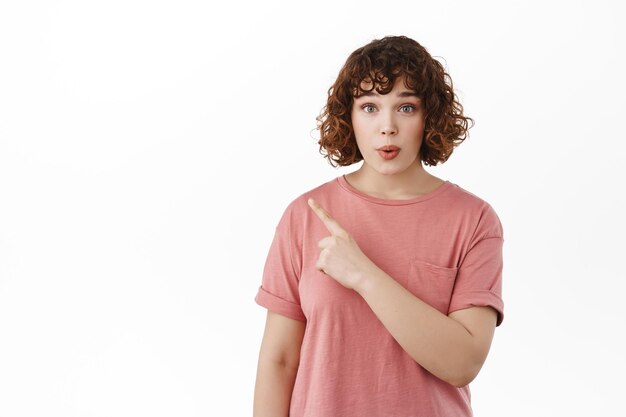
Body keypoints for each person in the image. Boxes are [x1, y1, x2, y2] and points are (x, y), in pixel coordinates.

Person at [253, 35, 505, 417]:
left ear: (429, 117)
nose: (387, 127)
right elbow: (280, 361)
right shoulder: (305, 215)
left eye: (406, 107)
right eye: (369, 107)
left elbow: (462, 363)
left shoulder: (473, 220)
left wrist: (363, 276)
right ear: (349, 117)